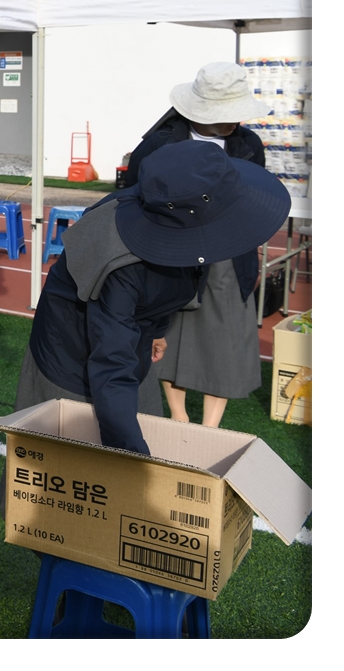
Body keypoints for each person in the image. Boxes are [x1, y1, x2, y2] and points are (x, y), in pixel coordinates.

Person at [17, 141, 288, 453]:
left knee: (138, 424)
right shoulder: (122, 266)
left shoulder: (174, 214)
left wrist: (157, 330)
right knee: (65, 461)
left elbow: (183, 272)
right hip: (69, 357)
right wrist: (134, 459)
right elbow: (112, 364)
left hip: (129, 344)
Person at [125, 62, 270, 429]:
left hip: (230, 255)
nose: (235, 120)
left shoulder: (249, 144)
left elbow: (255, 199)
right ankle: (179, 416)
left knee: (226, 336)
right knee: (170, 333)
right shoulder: (158, 144)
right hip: (171, 253)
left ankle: (210, 428)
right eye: (227, 111)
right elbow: (132, 201)